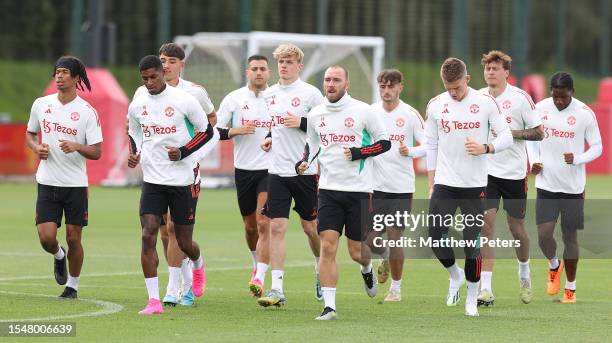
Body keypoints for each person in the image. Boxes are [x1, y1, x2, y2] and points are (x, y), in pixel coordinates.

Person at [296, 65, 390, 320]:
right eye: (327, 79)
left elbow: (385, 142)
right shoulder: (315, 114)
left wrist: (360, 152)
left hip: (359, 191)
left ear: (346, 83)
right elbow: (311, 146)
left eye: (336, 79)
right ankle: (330, 307)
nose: (331, 84)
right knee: (327, 246)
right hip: (328, 190)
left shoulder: (363, 111)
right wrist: (303, 162)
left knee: (356, 251)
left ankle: (367, 267)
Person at [127, 55, 215, 315]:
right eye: (145, 79)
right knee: (148, 233)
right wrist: (134, 152)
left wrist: (184, 151)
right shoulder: (138, 103)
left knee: (183, 240)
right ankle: (154, 301)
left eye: (153, 77)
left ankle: (198, 264)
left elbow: (206, 131)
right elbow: (133, 131)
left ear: (162, 74)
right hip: (153, 180)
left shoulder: (184, 100)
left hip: (181, 180)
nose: (149, 82)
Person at [425, 57, 512, 316]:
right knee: (435, 237)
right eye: (448, 87)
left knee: (472, 244)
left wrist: (486, 147)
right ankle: (455, 275)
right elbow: (431, 145)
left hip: (475, 186)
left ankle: (472, 299)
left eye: (458, 87)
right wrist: (431, 183)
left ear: (468, 79)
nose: (453, 92)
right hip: (445, 184)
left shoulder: (485, 104)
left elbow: (506, 136)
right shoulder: (436, 105)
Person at [25, 56, 103, 299]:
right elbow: (30, 134)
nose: (59, 76)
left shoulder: (87, 112)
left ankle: (73, 286)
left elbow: (97, 151)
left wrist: (78, 146)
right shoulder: (41, 104)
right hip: (47, 181)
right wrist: (36, 147)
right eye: (57, 72)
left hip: (75, 185)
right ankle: (59, 255)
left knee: (74, 238)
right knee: (46, 238)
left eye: (64, 72)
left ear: (76, 78)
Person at [257, 44, 324, 307]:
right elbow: (276, 127)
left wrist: (302, 123)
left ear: (299, 66)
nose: (283, 66)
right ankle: (277, 289)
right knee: (277, 227)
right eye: (281, 61)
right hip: (277, 172)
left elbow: (325, 128)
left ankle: (321, 269)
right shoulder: (269, 94)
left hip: (305, 171)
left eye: (288, 61)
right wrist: (268, 138)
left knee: (311, 228)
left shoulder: (311, 94)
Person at [477, 50, 544, 306]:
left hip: (515, 173)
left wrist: (508, 133)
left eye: (495, 69)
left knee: (517, 230)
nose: (490, 72)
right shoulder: (478, 98)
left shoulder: (520, 98)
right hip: (486, 172)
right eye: (487, 69)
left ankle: (524, 272)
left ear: (506, 72)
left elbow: (539, 133)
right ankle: (486, 288)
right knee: (486, 225)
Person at [528, 72, 602, 304]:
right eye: (555, 95)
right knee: (543, 236)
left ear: (573, 92)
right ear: (551, 91)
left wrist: (579, 158)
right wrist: (533, 161)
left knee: (570, 237)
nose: (559, 100)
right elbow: (531, 138)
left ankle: (570, 289)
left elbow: (598, 147)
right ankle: (553, 265)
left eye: (564, 96)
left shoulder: (584, 114)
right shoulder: (540, 108)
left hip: (573, 188)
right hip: (546, 185)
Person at [216, 55, 272, 297]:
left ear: (268, 72)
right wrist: (236, 130)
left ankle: (260, 276)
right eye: (254, 69)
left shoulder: (277, 98)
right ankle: (255, 264)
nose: (259, 72)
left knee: (263, 222)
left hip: (271, 170)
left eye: (262, 69)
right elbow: (215, 132)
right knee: (250, 227)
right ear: (247, 72)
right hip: (244, 170)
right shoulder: (234, 99)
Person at [370, 69, 425, 302]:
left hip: (401, 188)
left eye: (391, 86)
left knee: (395, 238)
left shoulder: (410, 115)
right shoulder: (370, 112)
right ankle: (383, 256)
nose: (386, 91)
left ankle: (396, 289)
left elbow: (429, 145)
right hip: (374, 186)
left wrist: (410, 151)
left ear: (400, 87)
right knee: (370, 240)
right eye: (382, 86)